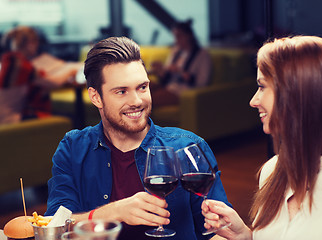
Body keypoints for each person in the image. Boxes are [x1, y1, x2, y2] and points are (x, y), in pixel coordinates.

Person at [45, 36, 230, 240]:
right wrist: (113, 212)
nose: (137, 101)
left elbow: (220, 232)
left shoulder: (187, 147)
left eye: (142, 87)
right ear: (96, 97)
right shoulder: (72, 147)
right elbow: (53, 226)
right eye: (122, 91)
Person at [201, 35, 322, 240]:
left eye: (262, 86)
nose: (253, 101)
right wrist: (247, 236)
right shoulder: (272, 171)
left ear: (296, 93)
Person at [0, 26, 81, 124]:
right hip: (11, 120)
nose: (37, 46)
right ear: (30, 44)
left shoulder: (9, 61)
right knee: (71, 119)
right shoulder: (21, 65)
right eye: (36, 42)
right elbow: (54, 83)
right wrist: (71, 68)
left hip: (6, 118)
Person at [150, 19, 212, 107]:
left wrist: (180, 72)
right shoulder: (176, 52)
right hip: (168, 86)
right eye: (175, 36)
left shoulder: (202, 55)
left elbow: (202, 83)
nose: (176, 40)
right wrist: (160, 70)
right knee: (142, 88)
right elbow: (166, 76)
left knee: (147, 99)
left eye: (179, 36)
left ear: (189, 36)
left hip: (181, 91)